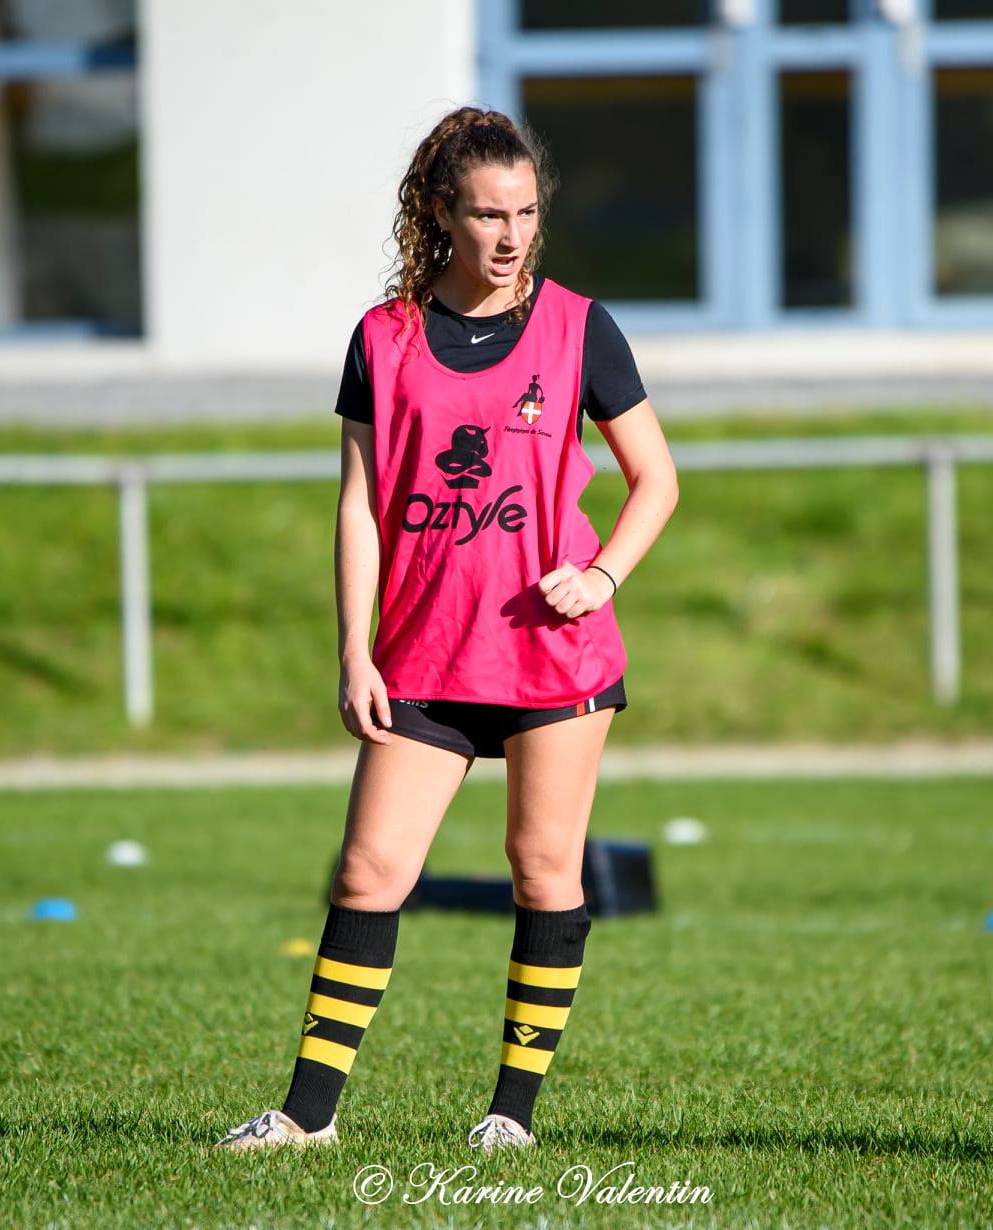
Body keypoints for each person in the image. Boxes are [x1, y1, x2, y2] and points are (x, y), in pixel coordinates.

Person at [217, 105, 679, 1153]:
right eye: (486, 214)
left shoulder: (579, 328)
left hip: (551, 658)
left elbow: (657, 480)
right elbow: (356, 504)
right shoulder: (382, 340)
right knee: (370, 873)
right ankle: (306, 1118)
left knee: (542, 871)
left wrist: (602, 574)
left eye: (524, 212)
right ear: (440, 212)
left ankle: (510, 1116)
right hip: (423, 659)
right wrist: (353, 648)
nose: (510, 235)